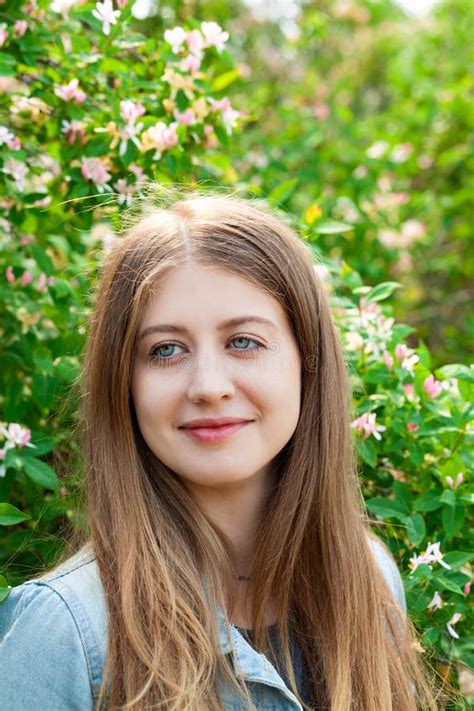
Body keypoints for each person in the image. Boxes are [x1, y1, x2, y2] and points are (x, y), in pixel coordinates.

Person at [0, 191, 436, 710]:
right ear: (125, 384)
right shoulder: (65, 634)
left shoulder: (368, 578)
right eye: (165, 350)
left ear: (308, 362)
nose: (208, 386)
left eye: (243, 342)